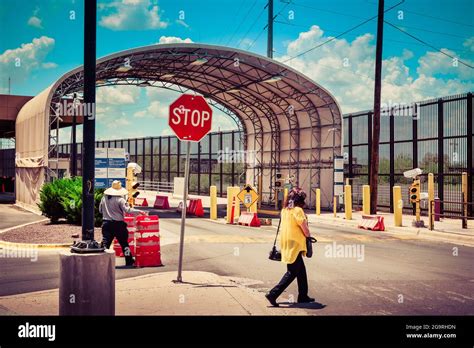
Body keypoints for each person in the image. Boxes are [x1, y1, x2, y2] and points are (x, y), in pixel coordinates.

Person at [265, 187, 315, 306]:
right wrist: (309, 236)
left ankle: (303, 296)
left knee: (301, 271)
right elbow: (304, 228)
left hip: (287, 242)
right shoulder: (298, 210)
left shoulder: (285, 210)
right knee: (292, 272)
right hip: (296, 244)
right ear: (300, 200)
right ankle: (273, 294)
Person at [99, 180, 146, 267]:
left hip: (106, 223)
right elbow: (128, 210)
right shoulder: (120, 200)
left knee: (105, 244)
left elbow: (100, 210)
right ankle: (129, 261)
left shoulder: (103, 198)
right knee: (124, 244)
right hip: (118, 225)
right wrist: (139, 211)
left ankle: (101, 262)